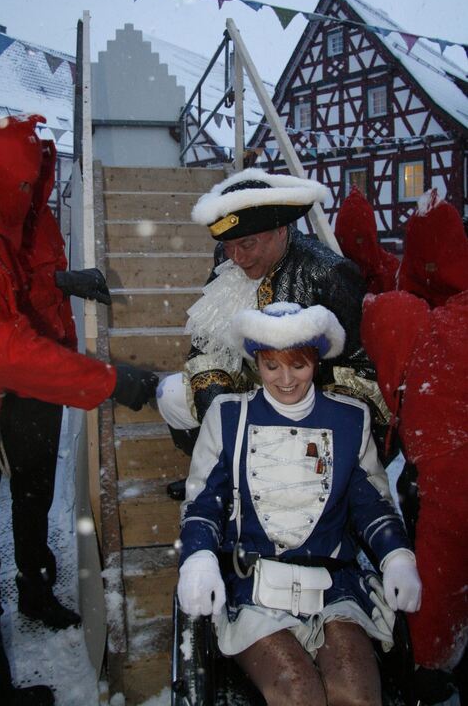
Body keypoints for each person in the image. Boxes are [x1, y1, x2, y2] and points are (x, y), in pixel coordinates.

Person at [0, 116, 157, 706]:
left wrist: (58, 282)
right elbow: (5, 348)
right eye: (29, 183)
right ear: (8, 180)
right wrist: (109, 380)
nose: (34, 193)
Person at [177, 302, 422, 706]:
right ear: (257, 362)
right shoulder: (229, 416)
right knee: (298, 694)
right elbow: (205, 503)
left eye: (299, 365)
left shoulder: (349, 418)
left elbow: (369, 505)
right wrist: (199, 557)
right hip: (254, 592)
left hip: (334, 590)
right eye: (272, 366)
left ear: (316, 361)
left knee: (358, 697)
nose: (286, 380)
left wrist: (396, 554)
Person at [157, 170, 383, 496]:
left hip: (308, 391)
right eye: (228, 245)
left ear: (281, 230)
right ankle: (221, 476)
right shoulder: (230, 256)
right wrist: (216, 402)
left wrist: (304, 408)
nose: (236, 257)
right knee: (172, 394)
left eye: (247, 244)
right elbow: (206, 341)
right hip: (251, 381)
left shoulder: (328, 272)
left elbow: (365, 370)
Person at [0, 139, 112, 631]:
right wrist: (64, 282)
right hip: (22, 372)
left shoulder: (36, 212)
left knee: (36, 487)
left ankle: (35, 584)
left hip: (46, 361)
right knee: (26, 489)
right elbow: (9, 289)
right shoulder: (3, 215)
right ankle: (33, 591)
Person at [361, 190, 468, 703]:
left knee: (437, 543)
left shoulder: (429, 376)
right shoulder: (440, 326)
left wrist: (428, 656)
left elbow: (447, 530)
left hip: (446, 477)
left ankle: (433, 666)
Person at [334, 185, 399, 294]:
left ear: (371, 238)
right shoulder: (332, 274)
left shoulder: (392, 273)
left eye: (359, 241)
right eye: (342, 240)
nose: (352, 249)